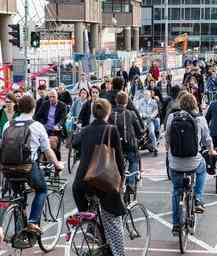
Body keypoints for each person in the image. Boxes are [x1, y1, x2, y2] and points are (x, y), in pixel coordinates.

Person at [0, 95, 64, 240]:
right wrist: (57, 164)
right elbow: (47, 151)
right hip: (27, 167)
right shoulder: (36, 126)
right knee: (42, 189)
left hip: (8, 168)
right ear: (33, 108)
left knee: (18, 197)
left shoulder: (7, 125)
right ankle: (33, 222)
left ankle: (19, 232)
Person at [72, 98, 126, 256]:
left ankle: (92, 230)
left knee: (90, 214)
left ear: (93, 113)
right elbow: (119, 160)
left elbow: (74, 143)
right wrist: (120, 181)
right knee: (113, 220)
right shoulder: (111, 129)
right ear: (108, 112)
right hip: (101, 180)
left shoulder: (86, 129)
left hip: (81, 183)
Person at [166, 93, 216, 236]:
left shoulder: (172, 117)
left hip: (175, 163)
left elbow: (167, 139)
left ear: (180, 104)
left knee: (176, 191)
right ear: (194, 104)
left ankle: (176, 225)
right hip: (193, 162)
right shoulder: (200, 119)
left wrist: (168, 151)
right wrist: (211, 151)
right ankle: (199, 198)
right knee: (202, 168)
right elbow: (207, 138)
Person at [109, 92, 143, 191]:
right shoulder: (131, 113)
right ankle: (130, 183)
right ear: (126, 102)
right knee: (134, 159)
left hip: (115, 146)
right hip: (129, 145)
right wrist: (140, 135)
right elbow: (138, 130)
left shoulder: (110, 114)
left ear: (116, 101)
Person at [36, 89, 67, 160]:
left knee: (53, 145)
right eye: (50, 97)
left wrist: (58, 125)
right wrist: (43, 124)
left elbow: (63, 119)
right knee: (42, 146)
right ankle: (45, 163)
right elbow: (37, 116)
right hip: (45, 129)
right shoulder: (45, 104)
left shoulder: (63, 106)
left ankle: (57, 164)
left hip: (57, 130)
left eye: (53, 97)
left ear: (57, 97)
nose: (52, 99)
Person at [137, 90, 160, 155]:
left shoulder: (153, 102)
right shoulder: (141, 102)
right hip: (142, 120)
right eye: (144, 95)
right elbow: (138, 109)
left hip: (150, 121)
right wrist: (140, 114)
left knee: (151, 132)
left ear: (150, 95)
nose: (145, 96)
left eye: (147, 95)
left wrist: (151, 116)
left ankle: (155, 148)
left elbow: (156, 111)